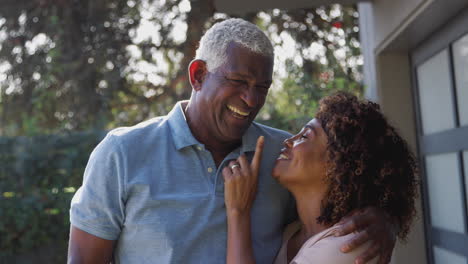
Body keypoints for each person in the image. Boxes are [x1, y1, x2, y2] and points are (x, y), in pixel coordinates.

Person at [68, 19, 397, 264]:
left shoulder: (283, 158)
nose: (251, 99)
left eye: (262, 87)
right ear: (198, 75)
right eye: (238, 81)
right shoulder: (122, 153)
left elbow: (348, 193)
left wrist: (382, 222)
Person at [223, 92, 419, 264]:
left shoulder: (346, 247)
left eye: (304, 136)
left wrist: (238, 212)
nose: (288, 140)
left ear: (338, 164)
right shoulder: (292, 232)